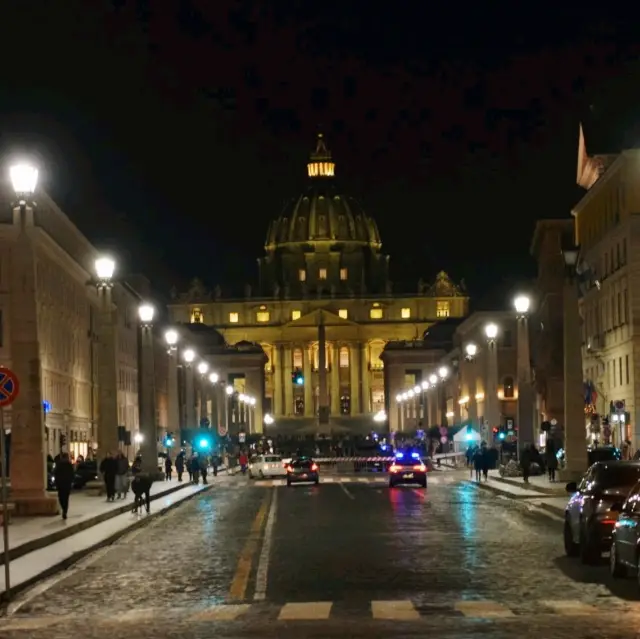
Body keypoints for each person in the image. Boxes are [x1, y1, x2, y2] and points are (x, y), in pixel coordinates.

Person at [54, 453, 75, 520]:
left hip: (60, 483)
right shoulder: (69, 464)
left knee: (61, 497)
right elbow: (72, 474)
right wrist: (71, 482)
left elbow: (55, 474)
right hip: (67, 483)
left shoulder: (58, 464)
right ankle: (65, 511)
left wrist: (56, 482)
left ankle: (63, 509)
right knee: (66, 498)